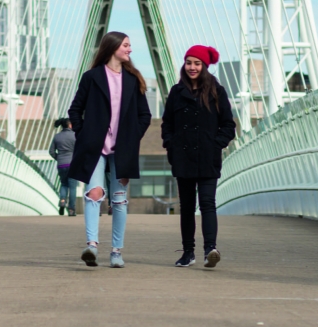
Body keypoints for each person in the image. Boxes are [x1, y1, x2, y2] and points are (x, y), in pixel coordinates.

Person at [67, 31, 151, 268]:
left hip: (123, 149)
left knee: (119, 199)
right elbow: (75, 109)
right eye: (126, 45)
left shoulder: (133, 80)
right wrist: (84, 134)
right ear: (113, 47)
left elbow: (145, 115)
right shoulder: (91, 77)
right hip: (95, 148)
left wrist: (134, 137)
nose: (130, 49)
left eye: (130, 45)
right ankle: (92, 246)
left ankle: (116, 251)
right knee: (94, 193)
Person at [161, 45, 236, 269]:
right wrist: (170, 145)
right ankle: (188, 253)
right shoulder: (176, 92)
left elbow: (228, 125)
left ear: (204, 66)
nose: (192, 67)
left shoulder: (216, 91)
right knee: (186, 206)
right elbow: (167, 125)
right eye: (189, 62)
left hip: (207, 157)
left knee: (207, 204)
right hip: (182, 157)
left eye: (197, 63)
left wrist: (216, 145)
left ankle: (210, 250)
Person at [49, 118, 77, 216]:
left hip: (61, 164)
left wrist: (59, 158)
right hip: (72, 164)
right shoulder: (75, 136)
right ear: (70, 125)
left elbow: (51, 152)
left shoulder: (57, 137)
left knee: (64, 184)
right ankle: (71, 210)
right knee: (73, 188)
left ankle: (62, 201)